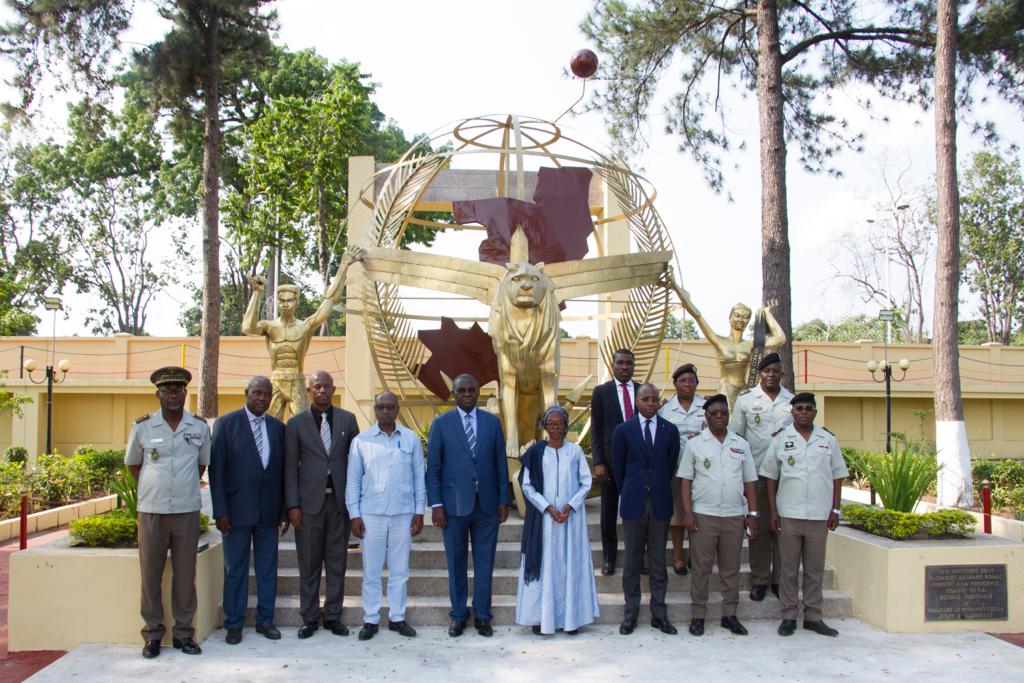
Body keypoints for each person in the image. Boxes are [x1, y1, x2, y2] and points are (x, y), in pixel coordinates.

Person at [124, 366, 210, 659]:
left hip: (186, 510)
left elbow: (201, 465)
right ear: (158, 394)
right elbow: (134, 465)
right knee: (150, 575)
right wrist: (157, 489)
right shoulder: (143, 427)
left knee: (185, 576)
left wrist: (179, 488)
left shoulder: (198, 427)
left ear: (186, 393)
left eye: (178, 389)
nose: (173, 394)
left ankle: (185, 633)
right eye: (167, 390)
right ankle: (152, 635)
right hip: (152, 511)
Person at [427, 373, 511, 638]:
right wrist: (436, 504)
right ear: (453, 393)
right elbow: (434, 468)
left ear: (478, 391)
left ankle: (483, 616)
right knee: (456, 562)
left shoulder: (492, 422)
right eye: (461, 390)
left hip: (486, 505)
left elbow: (500, 463)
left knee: (485, 563)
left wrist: (503, 499)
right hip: (453, 506)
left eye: (471, 389)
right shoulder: (441, 424)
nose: (466, 393)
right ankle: (459, 615)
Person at [761, 392, 848, 638]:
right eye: (799, 408)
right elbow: (770, 477)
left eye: (808, 408)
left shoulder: (827, 440)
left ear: (815, 412)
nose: (803, 412)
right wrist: (773, 511)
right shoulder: (780, 439)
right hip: (789, 513)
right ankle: (788, 615)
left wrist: (835, 509)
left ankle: (813, 616)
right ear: (792, 412)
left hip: (819, 516)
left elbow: (837, 475)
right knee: (788, 569)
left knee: (814, 569)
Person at [242, 247, 361, 421]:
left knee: (305, 425)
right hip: (275, 380)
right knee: (268, 424)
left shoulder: (305, 326)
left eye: (289, 300)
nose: (285, 304)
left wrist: (344, 265)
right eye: (281, 301)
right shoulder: (269, 326)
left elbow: (330, 300)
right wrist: (257, 293)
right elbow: (247, 328)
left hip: (296, 380)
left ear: (296, 302)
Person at [210, 376, 286, 645]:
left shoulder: (278, 428)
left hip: (268, 513)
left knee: (268, 569)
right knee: (235, 569)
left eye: (266, 394)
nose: (262, 398)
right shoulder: (225, 424)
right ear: (246, 393)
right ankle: (234, 623)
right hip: (235, 513)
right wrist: (220, 511)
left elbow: (283, 473)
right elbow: (216, 471)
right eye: (257, 393)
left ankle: (266, 620)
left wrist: (284, 510)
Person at [284, 370, 359, 639]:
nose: (322, 391)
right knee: (309, 562)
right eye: (317, 387)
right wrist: (292, 506)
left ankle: (333, 616)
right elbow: (290, 467)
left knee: (337, 561)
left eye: (327, 386)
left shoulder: (348, 420)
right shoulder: (296, 424)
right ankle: (309, 617)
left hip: (339, 503)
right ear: (309, 391)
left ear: (333, 389)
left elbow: (356, 464)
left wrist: (355, 505)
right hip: (308, 505)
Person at [346, 391, 426, 641]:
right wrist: (354, 514)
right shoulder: (362, 441)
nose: (386, 411)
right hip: (372, 514)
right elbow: (352, 481)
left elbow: (418, 478)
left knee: (400, 570)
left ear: (397, 408)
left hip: (403, 514)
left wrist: (419, 511)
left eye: (390, 407)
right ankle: (370, 619)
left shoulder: (411, 439)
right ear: (375, 410)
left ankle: (397, 617)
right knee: (371, 570)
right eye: (381, 407)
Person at [677, 394, 758, 637]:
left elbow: (750, 481)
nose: (720, 417)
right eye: (715, 413)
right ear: (707, 416)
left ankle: (729, 615)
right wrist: (687, 513)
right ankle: (698, 615)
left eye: (724, 413)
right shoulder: (695, 444)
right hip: (704, 515)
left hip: (734, 515)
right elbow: (685, 481)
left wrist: (753, 513)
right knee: (701, 568)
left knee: (730, 568)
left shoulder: (740, 444)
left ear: (728, 416)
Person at [515, 406, 600, 636]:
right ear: (544, 426)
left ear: (566, 426)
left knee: (570, 564)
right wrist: (548, 508)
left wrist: (571, 505)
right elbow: (527, 485)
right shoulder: (535, 453)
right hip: (545, 522)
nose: (555, 427)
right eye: (550, 423)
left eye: (559, 423)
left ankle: (571, 619)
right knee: (546, 566)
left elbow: (586, 482)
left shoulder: (575, 452)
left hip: (571, 520)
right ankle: (539, 618)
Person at [612, 383, 681, 636]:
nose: (651, 404)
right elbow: (618, 469)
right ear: (637, 402)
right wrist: (632, 489)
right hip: (633, 503)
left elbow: (671, 465)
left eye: (655, 399)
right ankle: (630, 613)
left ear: (659, 402)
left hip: (661, 503)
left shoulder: (670, 431)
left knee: (658, 562)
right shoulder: (623, 430)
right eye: (645, 399)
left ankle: (659, 614)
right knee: (631, 561)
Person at [728, 352, 794, 601]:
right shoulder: (746, 401)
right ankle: (759, 580)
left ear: (782, 374)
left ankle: (780, 579)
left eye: (776, 371)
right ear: (760, 374)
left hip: (787, 475)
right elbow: (736, 437)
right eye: (767, 371)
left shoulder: (792, 401)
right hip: (756, 474)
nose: (771, 375)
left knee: (783, 530)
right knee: (758, 530)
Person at [590, 348, 639, 576]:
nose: (624, 367)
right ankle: (609, 558)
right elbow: (597, 430)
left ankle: (638, 558)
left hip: (638, 464)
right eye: (620, 363)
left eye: (628, 363)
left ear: (633, 365)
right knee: (608, 514)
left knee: (638, 515)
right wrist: (598, 461)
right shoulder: (601, 392)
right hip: (609, 465)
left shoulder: (642, 391)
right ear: (613, 364)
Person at [658, 363, 706, 575]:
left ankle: (696, 554)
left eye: (691, 380)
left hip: (703, 471)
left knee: (700, 514)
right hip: (676, 470)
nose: (687, 384)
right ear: (675, 384)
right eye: (682, 381)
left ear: (697, 383)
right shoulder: (665, 410)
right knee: (677, 516)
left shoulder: (706, 407)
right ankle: (678, 556)